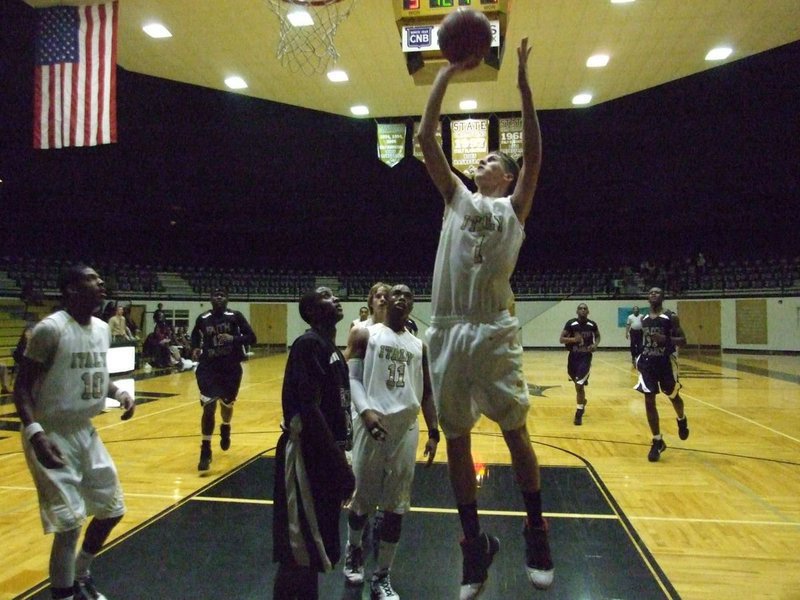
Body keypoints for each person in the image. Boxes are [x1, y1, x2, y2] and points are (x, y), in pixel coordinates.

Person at [417, 37, 554, 597]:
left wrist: (522, 83)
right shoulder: (456, 197)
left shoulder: (513, 208)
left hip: (493, 327)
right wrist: (447, 73)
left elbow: (537, 157)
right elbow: (427, 139)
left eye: (495, 159)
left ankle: (537, 529)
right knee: (455, 439)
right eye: (485, 158)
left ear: (506, 175)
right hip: (448, 329)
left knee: (516, 430)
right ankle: (473, 545)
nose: (485, 160)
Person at [13, 264, 135, 600]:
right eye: (92, 279)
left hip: (85, 430)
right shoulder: (50, 330)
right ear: (71, 289)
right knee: (69, 526)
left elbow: (94, 375)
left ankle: (81, 573)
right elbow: (21, 388)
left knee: (113, 509)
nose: (101, 284)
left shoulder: (100, 328)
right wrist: (36, 433)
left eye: (100, 278)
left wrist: (118, 393)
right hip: (51, 433)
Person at [342, 284, 439, 599]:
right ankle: (354, 548)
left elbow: (426, 393)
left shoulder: (419, 346)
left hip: (405, 431)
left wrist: (434, 431)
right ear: (384, 302)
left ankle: (381, 576)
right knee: (361, 502)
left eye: (407, 295)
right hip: (371, 427)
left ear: (412, 306)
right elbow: (352, 379)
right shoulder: (364, 335)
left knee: (396, 508)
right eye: (395, 293)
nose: (400, 297)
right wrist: (366, 411)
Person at [272, 286, 355, 600]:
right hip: (306, 456)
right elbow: (310, 409)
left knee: (313, 548)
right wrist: (341, 467)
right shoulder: (308, 344)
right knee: (297, 551)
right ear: (311, 310)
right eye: (326, 296)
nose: (334, 298)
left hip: (324, 456)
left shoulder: (330, 348)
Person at [190, 288, 256, 471]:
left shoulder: (235, 316)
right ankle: (205, 449)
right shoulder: (203, 319)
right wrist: (194, 348)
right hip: (208, 368)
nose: (219, 298)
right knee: (209, 406)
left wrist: (233, 338)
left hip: (230, 369)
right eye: (215, 295)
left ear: (227, 299)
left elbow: (252, 337)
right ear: (210, 299)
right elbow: (195, 336)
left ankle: (226, 426)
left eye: (222, 295)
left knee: (227, 406)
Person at [634, 287, 690, 462]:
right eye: (650, 292)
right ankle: (657, 440)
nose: (653, 294)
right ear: (647, 298)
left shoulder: (670, 317)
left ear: (663, 296)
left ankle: (681, 419)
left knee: (673, 396)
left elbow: (683, 341)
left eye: (657, 292)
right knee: (649, 399)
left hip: (665, 362)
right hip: (648, 362)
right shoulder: (643, 319)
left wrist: (666, 340)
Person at [559, 303, 600, 426]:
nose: (583, 310)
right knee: (578, 385)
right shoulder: (571, 324)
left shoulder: (592, 325)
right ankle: (582, 400)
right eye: (580, 308)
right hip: (573, 357)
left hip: (585, 357)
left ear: (588, 311)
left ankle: (579, 412)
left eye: (585, 308)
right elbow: (561, 339)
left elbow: (597, 336)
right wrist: (573, 340)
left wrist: (595, 345)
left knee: (579, 385)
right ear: (577, 311)